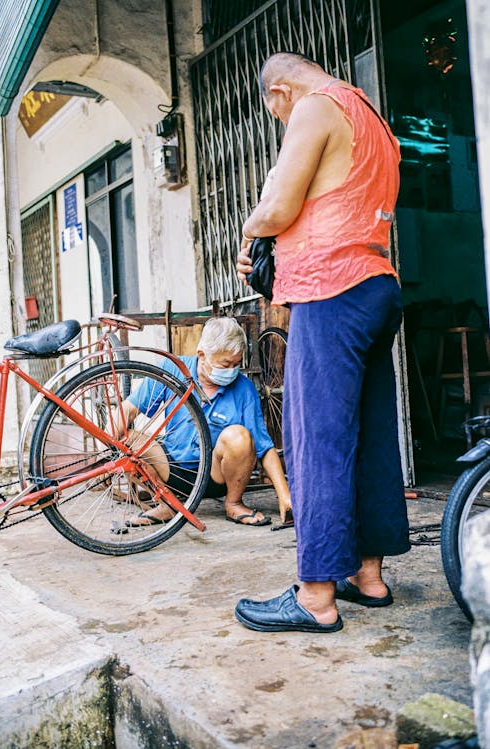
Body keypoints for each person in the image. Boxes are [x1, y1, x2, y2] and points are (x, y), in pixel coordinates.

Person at [235, 52, 410, 632]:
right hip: (377, 286)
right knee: (371, 433)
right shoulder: (374, 121)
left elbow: (281, 206)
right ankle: (368, 575)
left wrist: (250, 229)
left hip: (330, 290)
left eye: (275, 116)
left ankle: (314, 595)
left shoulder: (315, 107)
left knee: (317, 439)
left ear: (280, 93)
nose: (285, 128)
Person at [119, 316, 291, 527]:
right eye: (225, 364)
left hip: (215, 475)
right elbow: (128, 410)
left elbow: (264, 447)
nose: (231, 370)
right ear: (202, 355)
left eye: (237, 364)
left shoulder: (244, 388)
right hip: (170, 467)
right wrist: (108, 440)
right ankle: (166, 503)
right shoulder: (172, 370)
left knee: (239, 436)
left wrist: (285, 496)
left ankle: (234, 503)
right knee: (124, 440)